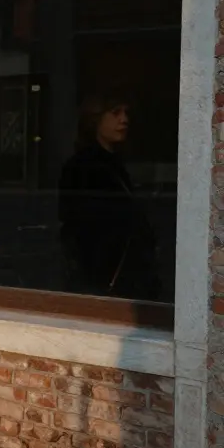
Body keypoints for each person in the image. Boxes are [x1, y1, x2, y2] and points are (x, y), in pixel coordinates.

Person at [57, 93, 159, 301]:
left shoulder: (115, 162)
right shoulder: (83, 167)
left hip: (124, 269)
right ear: (96, 119)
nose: (124, 119)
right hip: (102, 271)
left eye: (126, 113)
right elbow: (78, 221)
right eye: (115, 113)